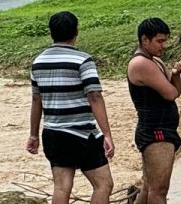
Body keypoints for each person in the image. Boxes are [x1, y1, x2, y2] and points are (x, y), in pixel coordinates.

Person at [27, 11, 115, 204]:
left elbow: (36, 100)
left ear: (51, 32)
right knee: (104, 185)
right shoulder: (83, 60)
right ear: (76, 31)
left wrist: (33, 134)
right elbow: (95, 96)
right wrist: (107, 134)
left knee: (61, 186)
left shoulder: (38, 62)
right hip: (82, 134)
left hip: (53, 133)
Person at [128, 17, 181, 204]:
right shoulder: (142, 64)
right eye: (159, 41)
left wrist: (176, 75)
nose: (164, 46)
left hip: (157, 130)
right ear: (145, 40)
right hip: (156, 132)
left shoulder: (153, 61)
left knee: (148, 187)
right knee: (158, 190)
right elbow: (170, 93)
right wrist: (173, 80)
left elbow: (176, 89)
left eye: (165, 40)